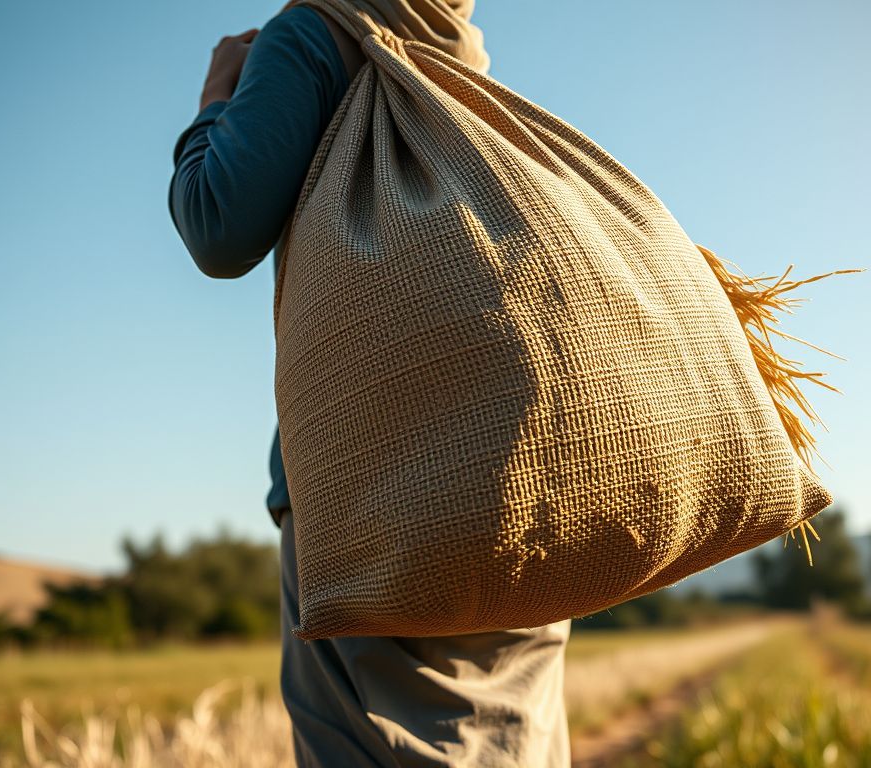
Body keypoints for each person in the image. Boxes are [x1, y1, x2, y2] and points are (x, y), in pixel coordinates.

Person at [166, 2, 572, 765]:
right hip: (533, 467)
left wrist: (217, 95)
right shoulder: (462, 55)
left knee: (365, 742)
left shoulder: (320, 31)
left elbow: (218, 223)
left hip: (368, 483)